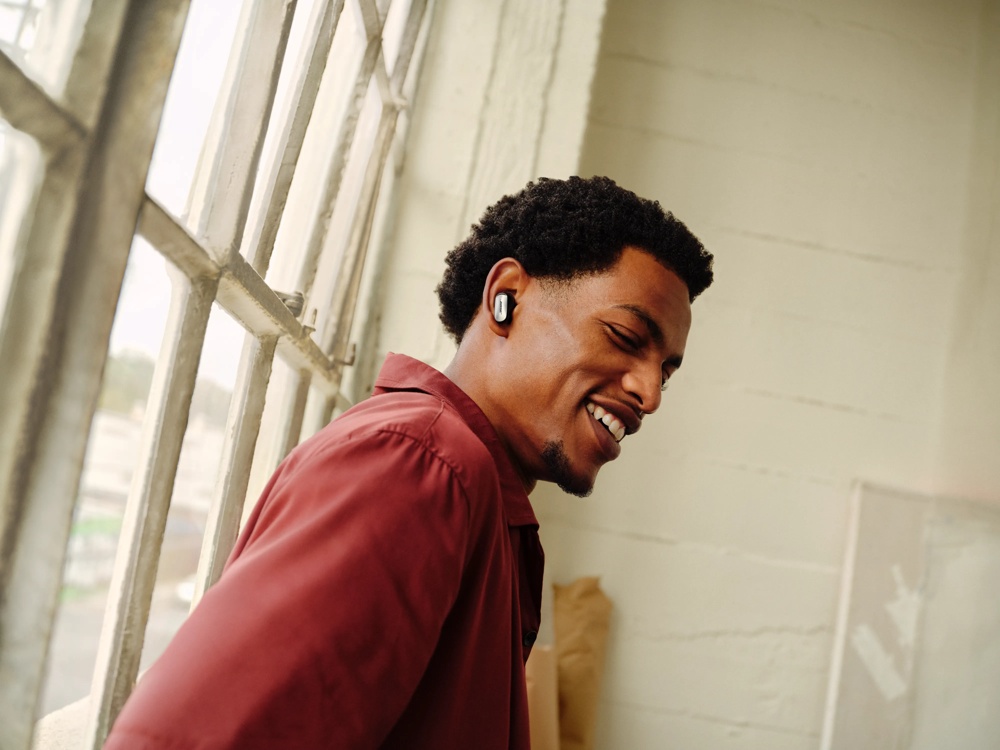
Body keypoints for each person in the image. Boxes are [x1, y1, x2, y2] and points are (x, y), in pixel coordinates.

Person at [104, 176, 713, 749]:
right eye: (627, 338)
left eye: (666, 370)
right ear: (506, 297)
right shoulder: (420, 467)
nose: (650, 394)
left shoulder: (470, 488)